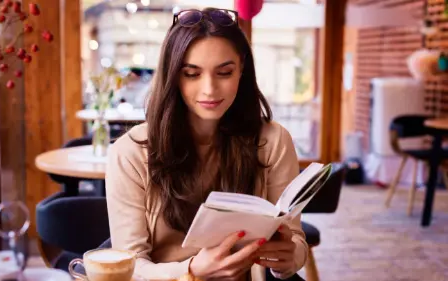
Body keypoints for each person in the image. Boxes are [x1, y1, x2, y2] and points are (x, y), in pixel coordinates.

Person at [105, 8, 308, 281]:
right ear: (173, 76)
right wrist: (191, 271)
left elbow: (295, 238)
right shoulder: (130, 152)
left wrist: (289, 258)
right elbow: (129, 268)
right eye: (192, 74)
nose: (209, 89)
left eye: (224, 72)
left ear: (242, 69)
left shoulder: (272, 141)